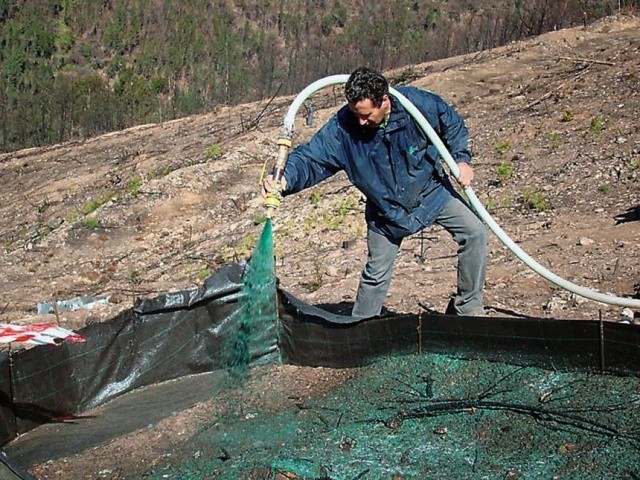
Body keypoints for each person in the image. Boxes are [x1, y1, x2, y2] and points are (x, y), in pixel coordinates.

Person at [264, 67, 487, 318]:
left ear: (384, 101)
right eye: (355, 114)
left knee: (475, 232)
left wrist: (461, 159)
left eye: (367, 115)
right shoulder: (342, 128)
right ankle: (362, 326)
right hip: (386, 210)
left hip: (431, 191)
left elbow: (452, 124)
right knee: (376, 272)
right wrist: (285, 178)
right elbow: (311, 159)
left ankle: (467, 308)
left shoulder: (418, 105)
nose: (360, 121)